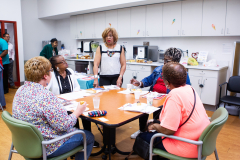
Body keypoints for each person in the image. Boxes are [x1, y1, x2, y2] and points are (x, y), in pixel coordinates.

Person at [12, 56, 94, 159]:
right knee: (88, 136)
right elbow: (64, 125)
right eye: (51, 70)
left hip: (25, 143)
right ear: (46, 76)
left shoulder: (20, 90)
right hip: (47, 146)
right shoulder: (46, 96)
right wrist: (78, 111)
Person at [137, 62, 210, 159]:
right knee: (153, 131)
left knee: (142, 137)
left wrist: (154, 125)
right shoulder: (190, 89)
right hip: (201, 140)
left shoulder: (174, 95)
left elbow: (168, 130)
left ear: (166, 81)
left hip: (188, 145)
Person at [130, 47, 191, 139]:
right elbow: (149, 79)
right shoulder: (159, 69)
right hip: (153, 95)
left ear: (176, 62)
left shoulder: (181, 73)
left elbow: (186, 91)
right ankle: (142, 130)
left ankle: (156, 131)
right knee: (143, 107)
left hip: (167, 99)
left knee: (158, 111)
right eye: (164, 60)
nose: (165, 63)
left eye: (168, 61)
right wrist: (140, 83)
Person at [47, 55, 99, 147]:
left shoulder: (70, 71)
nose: (65, 62)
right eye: (62, 61)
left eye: (65, 60)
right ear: (56, 66)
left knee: (85, 112)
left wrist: (74, 96)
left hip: (73, 100)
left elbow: (76, 86)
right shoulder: (52, 75)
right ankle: (77, 140)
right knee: (74, 119)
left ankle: (88, 137)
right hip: (60, 104)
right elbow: (47, 90)